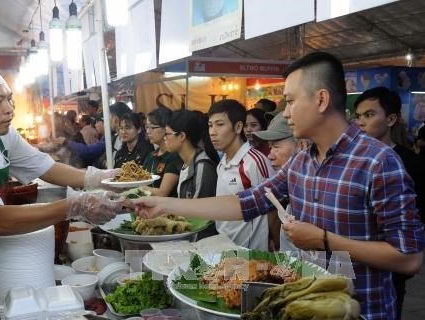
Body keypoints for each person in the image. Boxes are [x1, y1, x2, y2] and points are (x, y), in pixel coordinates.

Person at [133, 52, 424, 320]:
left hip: (362, 312)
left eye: (291, 101)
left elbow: (409, 258)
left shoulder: (378, 162)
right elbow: (244, 202)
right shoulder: (302, 162)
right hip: (305, 307)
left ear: (321, 100)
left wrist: (325, 240)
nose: (285, 112)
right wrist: (166, 204)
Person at [0, 62, 125, 320]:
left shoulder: (0, 135)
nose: (9, 109)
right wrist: (74, 206)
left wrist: (97, 178)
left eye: (9, 99)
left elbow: (44, 166)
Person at [353, 86, 425, 319]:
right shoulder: (355, 162)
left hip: (393, 265)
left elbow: (416, 220)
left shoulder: (409, 163)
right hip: (358, 263)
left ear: (391, 119)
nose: (361, 122)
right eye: (358, 116)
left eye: (369, 115)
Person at [208, 99, 273, 250]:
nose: (212, 131)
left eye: (220, 124)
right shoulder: (222, 162)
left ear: (238, 127)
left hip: (249, 252)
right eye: (210, 125)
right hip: (224, 245)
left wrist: (273, 245)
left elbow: (272, 207)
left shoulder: (254, 162)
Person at [252, 113, 308, 251]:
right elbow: (247, 201)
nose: (270, 156)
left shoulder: (313, 192)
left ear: (302, 145)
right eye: (270, 147)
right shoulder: (288, 184)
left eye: (276, 147)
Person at [142, 107, 183, 197]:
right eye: (147, 127)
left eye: (152, 127)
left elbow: (163, 193)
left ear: (166, 128)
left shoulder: (173, 156)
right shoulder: (151, 155)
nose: (148, 131)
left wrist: (136, 187)